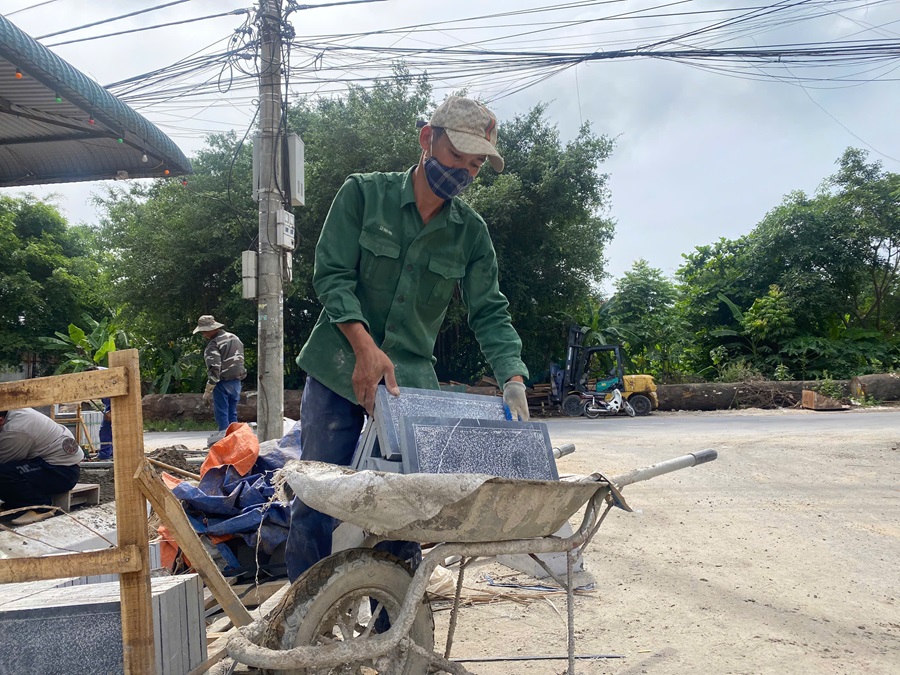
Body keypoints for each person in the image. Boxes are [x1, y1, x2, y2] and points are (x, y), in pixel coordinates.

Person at [286, 96, 531, 582]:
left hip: (408, 387)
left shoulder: (471, 233)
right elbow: (332, 276)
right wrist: (364, 348)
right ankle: (306, 614)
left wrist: (513, 376)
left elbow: (489, 311)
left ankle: (394, 616)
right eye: (456, 155)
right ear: (426, 139)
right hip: (338, 367)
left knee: (404, 511)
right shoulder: (363, 194)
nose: (462, 172)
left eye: (475, 165)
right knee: (317, 498)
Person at [0, 407, 84, 525]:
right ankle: (15, 505)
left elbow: (4, 461)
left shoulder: (15, 430)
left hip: (62, 472)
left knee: (3, 474)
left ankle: (40, 506)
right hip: (54, 463)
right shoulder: (14, 411)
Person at [194, 315, 247, 432]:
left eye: (204, 332)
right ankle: (235, 438)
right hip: (236, 381)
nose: (203, 335)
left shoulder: (213, 345)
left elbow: (215, 368)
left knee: (222, 413)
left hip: (222, 383)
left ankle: (224, 437)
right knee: (232, 413)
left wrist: (208, 391)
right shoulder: (235, 338)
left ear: (211, 329)